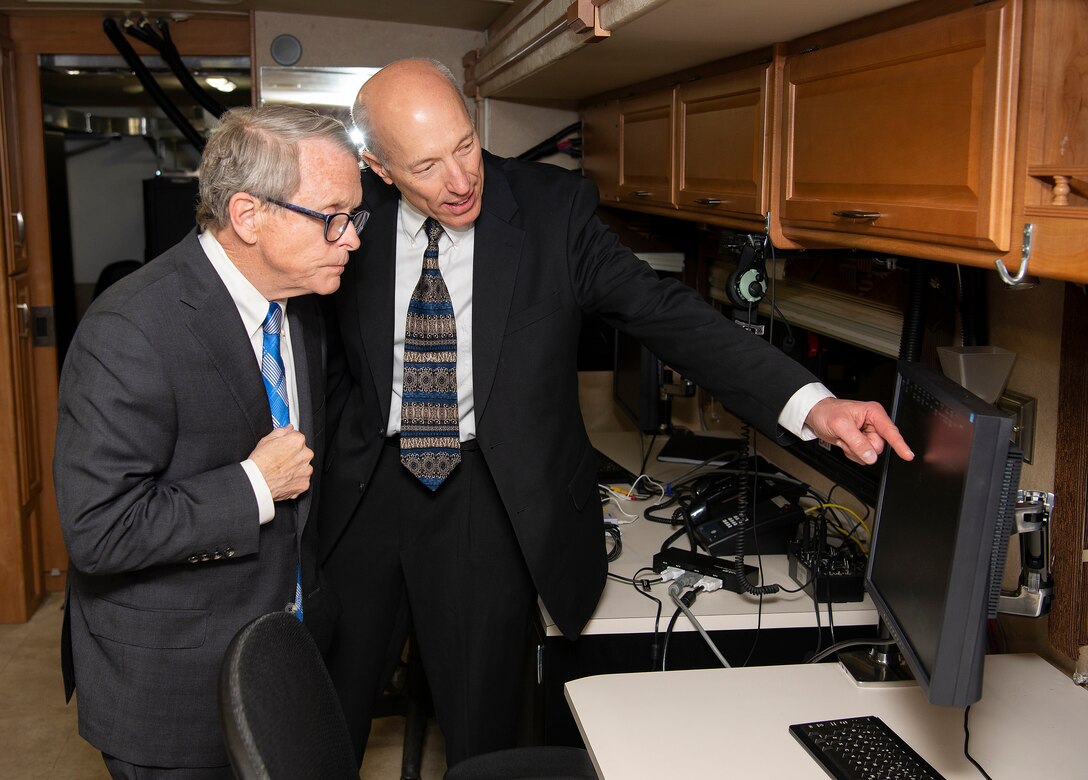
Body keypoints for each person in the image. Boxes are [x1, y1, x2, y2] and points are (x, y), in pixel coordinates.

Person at [319, 58, 914, 768]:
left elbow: (667, 314)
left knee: (483, 737)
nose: (460, 180)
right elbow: (310, 348)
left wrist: (813, 407)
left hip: (485, 495)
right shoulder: (342, 217)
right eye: (426, 165)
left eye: (466, 147)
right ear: (378, 168)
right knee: (325, 720)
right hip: (365, 490)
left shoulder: (550, 210)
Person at [54, 104, 365, 779]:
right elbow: (99, 531)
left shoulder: (300, 306)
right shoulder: (129, 330)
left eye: (355, 216)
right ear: (249, 216)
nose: (351, 239)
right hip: (174, 689)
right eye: (333, 217)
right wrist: (254, 484)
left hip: (285, 656)